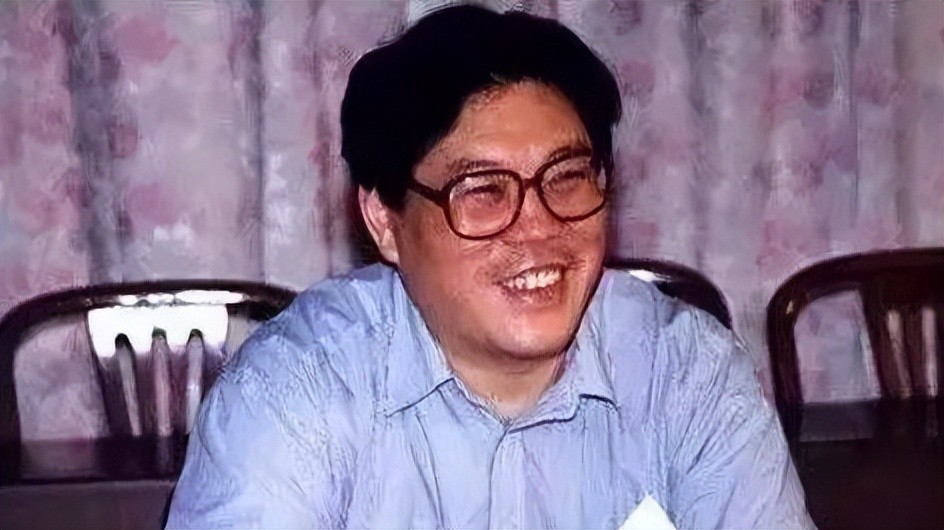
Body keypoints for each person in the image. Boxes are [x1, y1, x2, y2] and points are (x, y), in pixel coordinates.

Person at [166, 5, 813, 529]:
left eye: (566, 177)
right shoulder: (292, 394)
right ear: (385, 221)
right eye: (482, 191)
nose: (538, 227)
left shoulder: (687, 375)